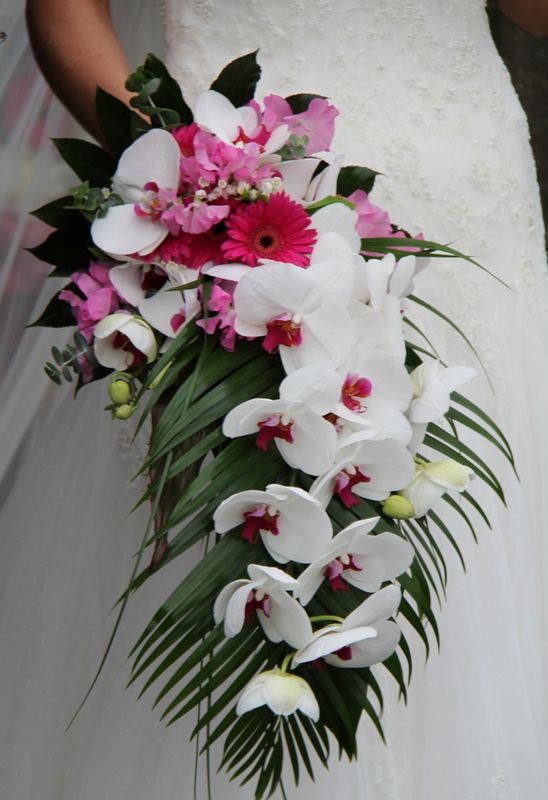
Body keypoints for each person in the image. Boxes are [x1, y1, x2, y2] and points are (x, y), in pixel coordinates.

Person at [2, 0, 548, 797]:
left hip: (464, 181)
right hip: (232, 190)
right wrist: (184, 180)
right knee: (242, 512)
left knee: (480, 507)